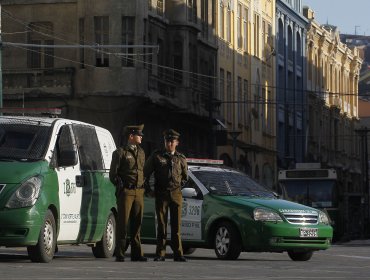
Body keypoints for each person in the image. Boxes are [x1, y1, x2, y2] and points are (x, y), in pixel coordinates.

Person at [144, 129, 188, 262]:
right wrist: (149, 190)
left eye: (171, 141)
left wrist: (178, 187)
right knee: (161, 225)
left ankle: (178, 253)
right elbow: (145, 173)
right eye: (167, 141)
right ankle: (160, 253)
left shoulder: (181, 158)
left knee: (176, 226)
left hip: (176, 194)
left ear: (177, 143)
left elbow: (185, 177)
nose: (169, 144)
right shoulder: (157, 156)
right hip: (161, 193)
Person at [109, 124, 147, 262]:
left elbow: (142, 171)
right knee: (123, 223)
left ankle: (137, 253)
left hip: (139, 192)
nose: (141, 137)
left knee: (137, 224)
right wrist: (121, 188)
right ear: (131, 136)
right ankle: (120, 253)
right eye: (139, 135)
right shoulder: (120, 152)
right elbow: (113, 174)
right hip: (126, 192)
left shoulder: (141, 152)